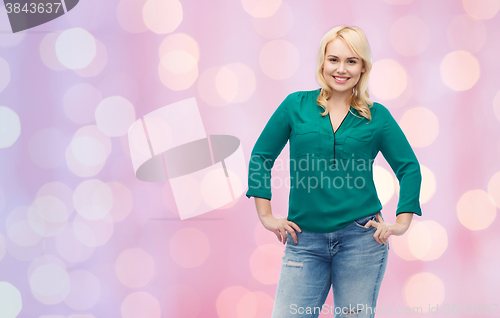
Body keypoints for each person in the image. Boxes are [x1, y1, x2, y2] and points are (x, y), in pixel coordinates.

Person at [246, 26, 422, 318]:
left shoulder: (376, 116)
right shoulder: (295, 106)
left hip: (362, 241)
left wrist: (400, 223)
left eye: (351, 61)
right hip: (304, 241)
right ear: (322, 63)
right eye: (334, 60)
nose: (341, 69)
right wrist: (265, 216)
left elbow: (409, 168)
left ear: (363, 66)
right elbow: (261, 156)